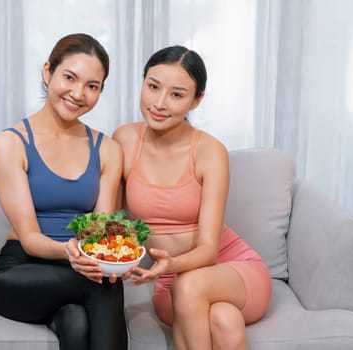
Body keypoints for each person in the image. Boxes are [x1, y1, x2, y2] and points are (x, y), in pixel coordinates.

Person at [113, 46, 272, 350]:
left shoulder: (210, 151)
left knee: (191, 285)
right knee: (223, 319)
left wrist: (170, 262)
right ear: (143, 82)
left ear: (196, 100)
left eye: (177, 94)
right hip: (169, 281)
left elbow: (209, 251)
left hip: (234, 269)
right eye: (153, 86)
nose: (159, 103)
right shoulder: (125, 139)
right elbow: (117, 224)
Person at [0, 33, 127, 350]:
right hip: (20, 271)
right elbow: (30, 239)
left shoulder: (107, 149)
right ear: (48, 71)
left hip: (76, 268)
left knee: (76, 323)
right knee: (100, 283)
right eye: (69, 77)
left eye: (92, 86)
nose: (78, 93)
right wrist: (70, 251)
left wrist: (115, 254)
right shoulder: (10, 144)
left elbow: (102, 230)